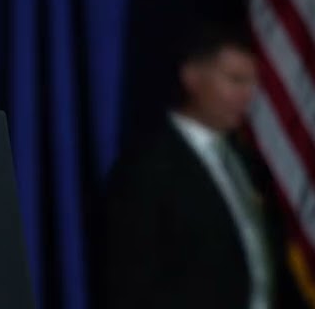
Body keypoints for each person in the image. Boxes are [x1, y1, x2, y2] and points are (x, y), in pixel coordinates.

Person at [99, 21, 302, 308]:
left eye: (252, 82)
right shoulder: (147, 168)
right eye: (235, 80)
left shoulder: (247, 162)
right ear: (192, 78)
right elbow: (130, 287)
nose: (248, 94)